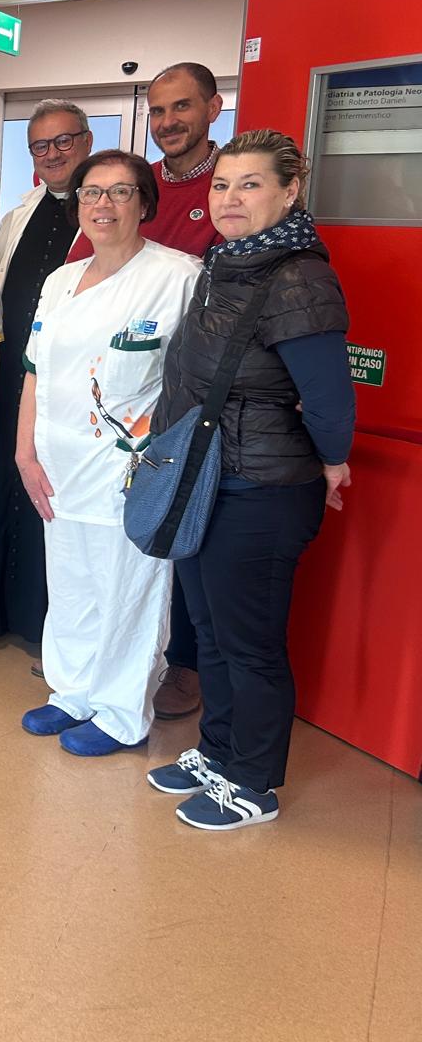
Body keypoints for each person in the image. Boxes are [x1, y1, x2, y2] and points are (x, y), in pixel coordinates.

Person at [146, 130, 353, 830]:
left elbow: (328, 397)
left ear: (290, 191)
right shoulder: (226, 261)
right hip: (207, 476)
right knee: (209, 630)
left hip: (261, 487)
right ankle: (218, 752)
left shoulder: (299, 276)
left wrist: (331, 460)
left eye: (250, 184)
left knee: (250, 644)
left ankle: (254, 783)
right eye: (221, 185)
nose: (230, 198)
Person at [16, 150, 201, 755]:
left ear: (145, 204)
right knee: (71, 582)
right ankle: (72, 692)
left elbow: (197, 381)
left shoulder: (179, 277)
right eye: (92, 192)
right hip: (59, 461)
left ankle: (121, 713)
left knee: (130, 588)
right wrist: (24, 452)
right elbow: (35, 370)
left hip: (131, 466)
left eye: (121, 192)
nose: (103, 204)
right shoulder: (60, 282)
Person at [67, 62, 226, 717]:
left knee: (177, 534)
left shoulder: (227, 187)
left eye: (181, 107)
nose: (167, 122)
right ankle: (98, 664)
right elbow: (80, 281)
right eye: (158, 111)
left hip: (185, 398)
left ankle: (182, 662)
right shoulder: (139, 184)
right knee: (113, 548)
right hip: (110, 404)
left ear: (213, 108)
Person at [0, 100, 91, 655]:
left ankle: (46, 623)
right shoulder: (20, 213)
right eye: (40, 145)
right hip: (13, 373)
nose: (53, 154)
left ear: (86, 141)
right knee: (3, 486)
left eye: (64, 141)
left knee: (49, 491)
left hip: (68, 382)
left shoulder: (103, 208)